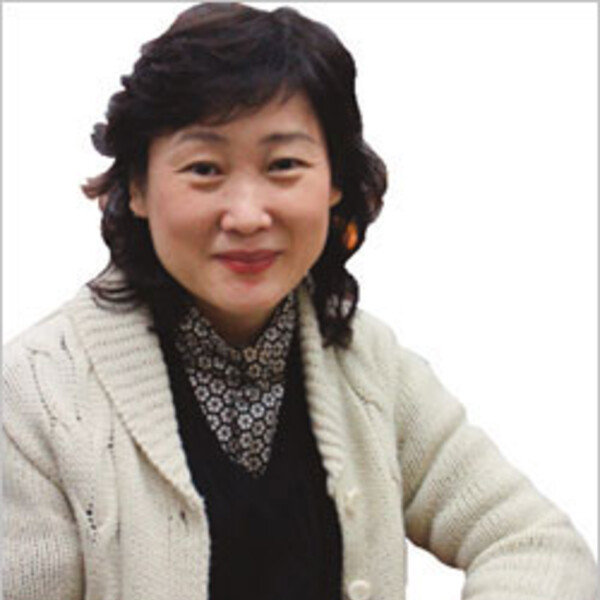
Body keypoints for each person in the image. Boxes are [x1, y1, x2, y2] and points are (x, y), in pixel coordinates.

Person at [3, 3, 597, 599]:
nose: (246, 215)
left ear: (334, 180)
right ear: (136, 187)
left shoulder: (371, 366)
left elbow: (535, 544)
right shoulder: (36, 394)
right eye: (204, 168)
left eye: (283, 165)